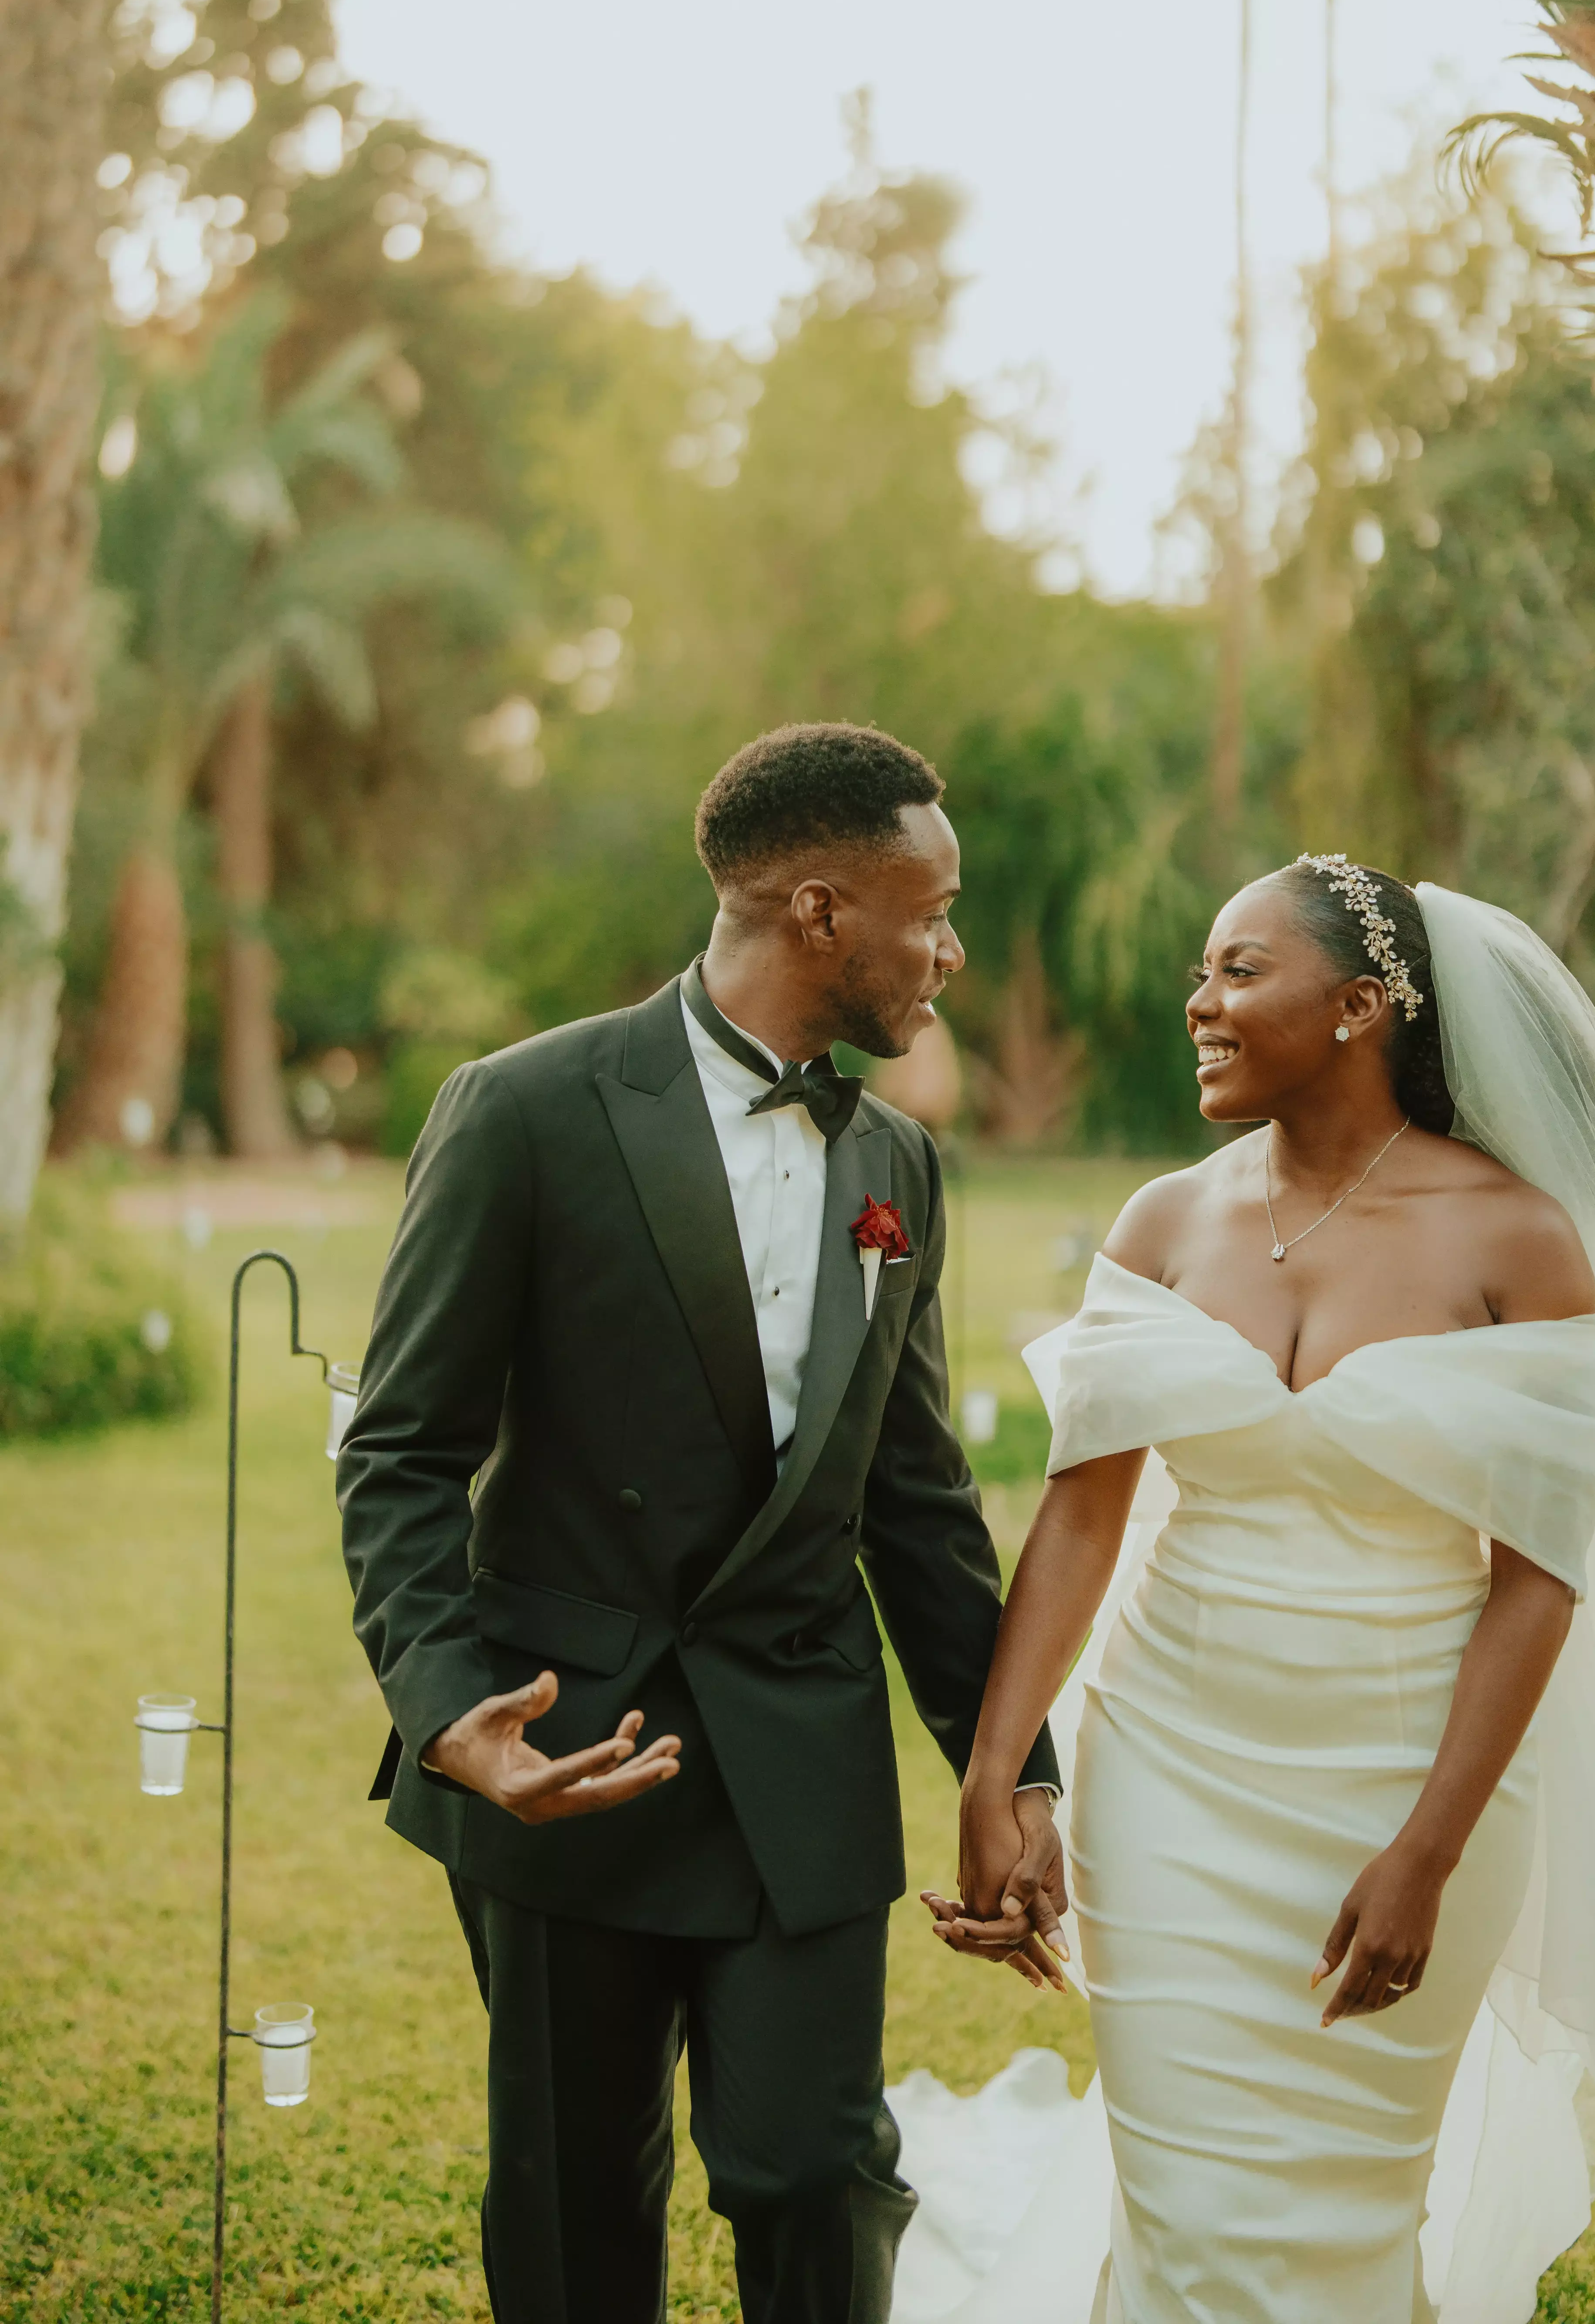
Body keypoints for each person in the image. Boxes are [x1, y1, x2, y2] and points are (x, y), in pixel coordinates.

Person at [335, 720, 1062, 2324]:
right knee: (579, 2202)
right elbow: (400, 1452)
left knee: (817, 2174)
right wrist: (456, 1716)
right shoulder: (524, 1109)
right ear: (819, 911)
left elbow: (920, 1505)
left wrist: (1014, 1770)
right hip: (568, 1762)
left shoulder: (900, 1166)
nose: (949, 950)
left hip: (800, 1757)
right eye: (929, 910)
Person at [918, 858, 1595, 2324]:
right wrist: (999, 1775)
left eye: (1239, 971)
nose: (1199, 1002)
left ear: (1361, 1007)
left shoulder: (1517, 1241)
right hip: (1167, 1777)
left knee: (1343, 2219)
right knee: (1189, 2210)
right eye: (1204, 971)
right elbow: (1080, 1522)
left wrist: (1428, 1856)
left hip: (1408, 1790)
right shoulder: (1164, 1224)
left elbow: (1538, 1584)